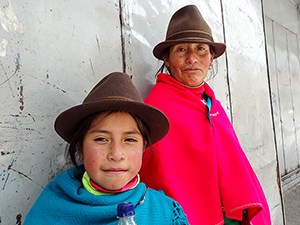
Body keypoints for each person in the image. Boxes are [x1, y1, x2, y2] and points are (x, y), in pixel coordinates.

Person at [139, 5, 271, 225]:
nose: (192, 58)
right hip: (190, 216)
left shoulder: (211, 103)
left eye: (201, 49)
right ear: (167, 59)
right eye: (181, 50)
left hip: (230, 213)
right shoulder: (158, 107)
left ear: (211, 58)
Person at [23, 72, 189, 225]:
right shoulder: (49, 209)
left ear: (144, 146)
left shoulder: (165, 213)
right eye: (101, 139)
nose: (116, 154)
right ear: (80, 146)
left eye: (130, 139)